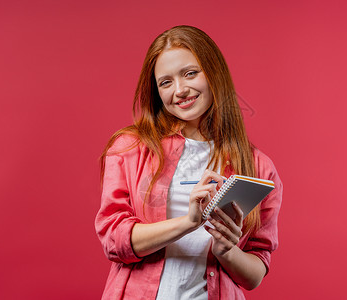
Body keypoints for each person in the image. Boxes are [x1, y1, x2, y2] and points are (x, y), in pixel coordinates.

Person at [95, 25, 283, 300]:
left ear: (214, 73)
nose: (180, 90)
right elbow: (115, 242)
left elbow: (255, 273)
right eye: (166, 82)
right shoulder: (130, 148)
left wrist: (227, 250)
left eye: (190, 73)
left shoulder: (257, 167)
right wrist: (189, 222)